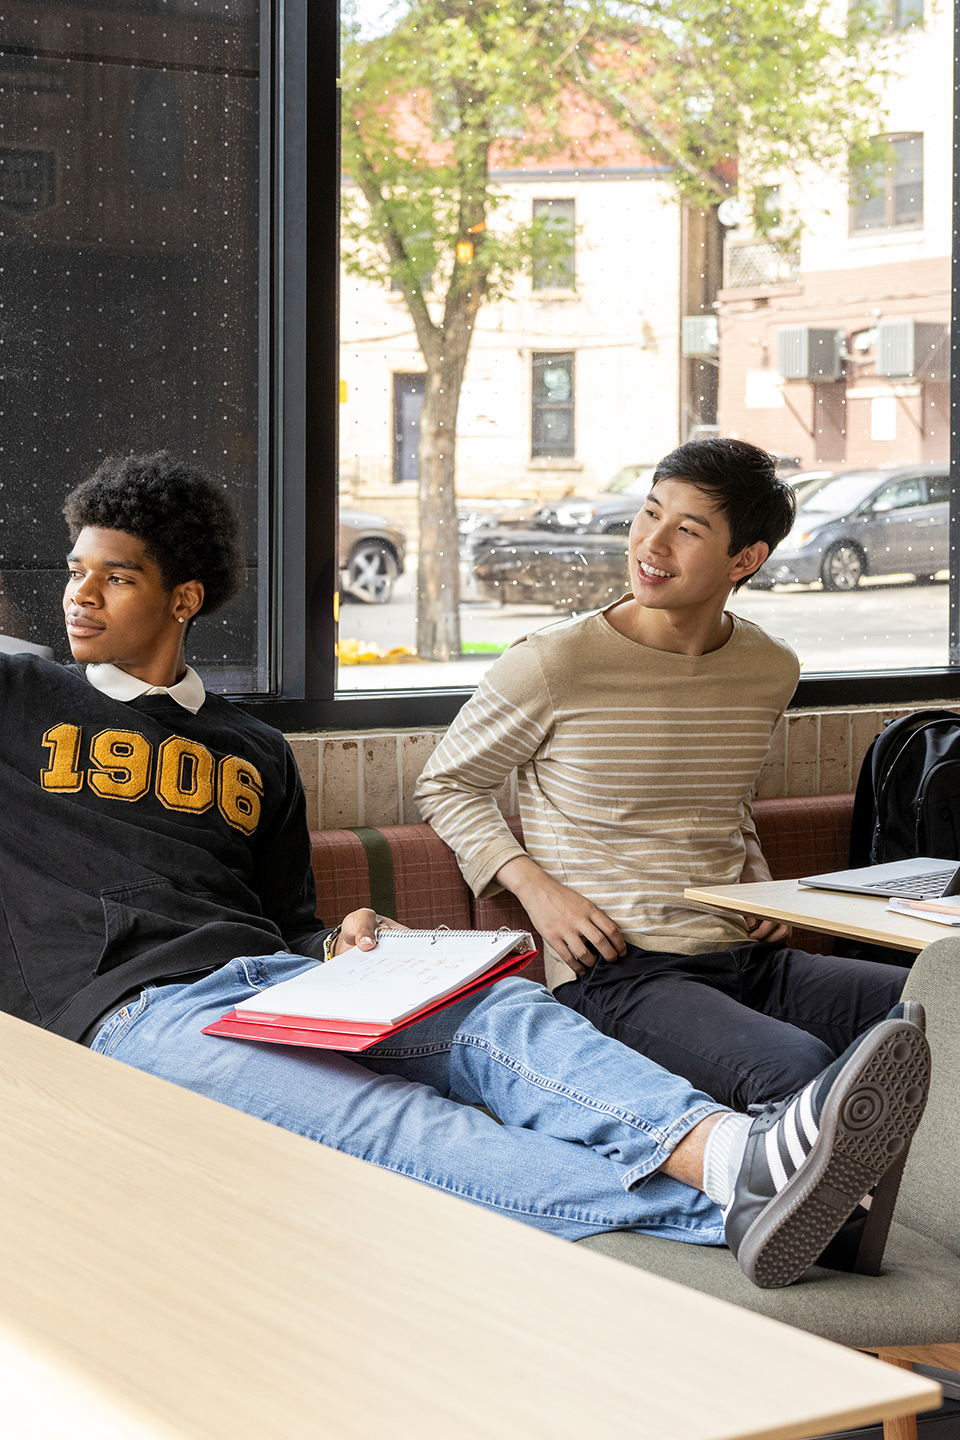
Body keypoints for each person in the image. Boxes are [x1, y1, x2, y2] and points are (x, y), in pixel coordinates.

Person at [0, 450, 929, 1291]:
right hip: (135, 1009)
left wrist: (341, 937)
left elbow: (284, 917)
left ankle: (736, 1156)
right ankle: (752, 1205)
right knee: (401, 1122)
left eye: (114, 577)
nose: (80, 595)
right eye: (76, 573)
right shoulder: (23, 699)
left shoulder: (256, 751)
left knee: (501, 1010)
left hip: (275, 978)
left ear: (184, 598)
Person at [416, 439, 911, 1112]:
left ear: (747, 559)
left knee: (945, 1002)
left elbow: (722, 796)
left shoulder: (769, 669)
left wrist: (757, 876)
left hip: (746, 955)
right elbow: (447, 783)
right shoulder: (554, 663)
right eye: (650, 514)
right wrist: (539, 892)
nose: (652, 542)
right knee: (794, 1067)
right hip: (621, 971)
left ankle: (930, 1212)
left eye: (687, 530)